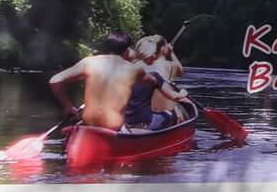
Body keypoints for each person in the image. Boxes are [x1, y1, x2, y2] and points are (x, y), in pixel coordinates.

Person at [49, 32, 185, 132]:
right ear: (126, 50)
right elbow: (155, 81)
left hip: (89, 126)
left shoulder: (88, 62)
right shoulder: (133, 69)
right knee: (169, 115)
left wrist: (67, 106)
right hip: (113, 129)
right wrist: (181, 93)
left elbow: (55, 81)